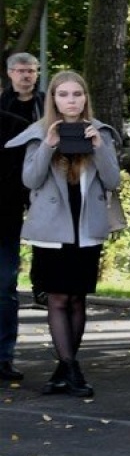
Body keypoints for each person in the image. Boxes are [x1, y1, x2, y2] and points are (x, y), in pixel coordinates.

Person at [7, 70, 120, 397]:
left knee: (77, 298)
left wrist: (99, 147)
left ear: (85, 98)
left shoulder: (101, 132)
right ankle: (72, 370)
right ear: (53, 99)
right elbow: (30, 180)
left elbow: (113, 181)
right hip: (51, 229)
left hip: (86, 228)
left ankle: (64, 370)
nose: (71, 100)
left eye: (77, 94)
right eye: (64, 94)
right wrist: (47, 145)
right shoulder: (39, 132)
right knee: (57, 298)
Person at [1, 52, 45, 382]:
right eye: (21, 70)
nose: (27, 75)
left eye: (32, 70)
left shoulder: (41, 111)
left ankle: (3, 357)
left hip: (14, 207)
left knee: (5, 286)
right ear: (9, 74)